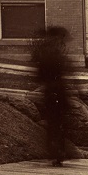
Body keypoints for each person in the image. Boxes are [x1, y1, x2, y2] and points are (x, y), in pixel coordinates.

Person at [32, 25, 72, 166]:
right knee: (59, 123)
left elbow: (38, 75)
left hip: (50, 93)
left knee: (53, 123)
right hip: (59, 93)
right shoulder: (58, 55)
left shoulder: (45, 55)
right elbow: (68, 72)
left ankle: (55, 151)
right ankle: (59, 152)